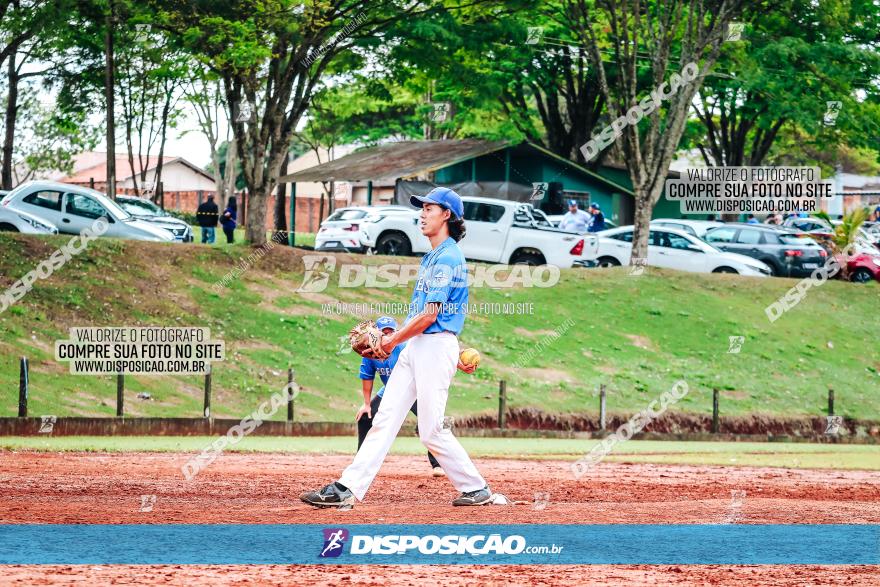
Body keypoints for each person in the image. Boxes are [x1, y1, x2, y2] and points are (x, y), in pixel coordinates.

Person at [301, 187, 491, 508]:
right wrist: (411, 342)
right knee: (384, 419)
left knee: (431, 432)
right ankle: (346, 488)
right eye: (422, 208)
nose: (422, 213)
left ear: (447, 215)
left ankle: (476, 487)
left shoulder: (447, 256)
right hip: (420, 347)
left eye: (430, 208)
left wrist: (391, 340)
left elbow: (432, 316)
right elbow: (430, 316)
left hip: (431, 347)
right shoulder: (432, 256)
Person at [356, 316, 443, 477]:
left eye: (391, 331)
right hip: (390, 391)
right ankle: (360, 463)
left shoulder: (404, 347)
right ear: (377, 334)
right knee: (365, 417)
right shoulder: (371, 353)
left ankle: (438, 464)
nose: (388, 335)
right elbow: (367, 376)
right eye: (384, 332)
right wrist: (366, 404)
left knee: (432, 421)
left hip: (415, 390)